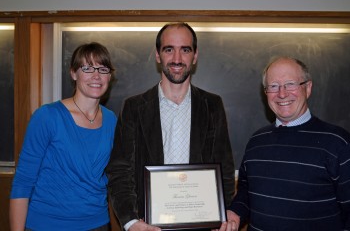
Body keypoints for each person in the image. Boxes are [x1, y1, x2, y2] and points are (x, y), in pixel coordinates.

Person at [106, 22, 237, 231]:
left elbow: (225, 169)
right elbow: (120, 171)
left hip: (201, 224)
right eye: (169, 49)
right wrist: (131, 223)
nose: (177, 59)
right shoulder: (134, 107)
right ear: (158, 55)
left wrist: (223, 213)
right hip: (148, 226)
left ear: (195, 56)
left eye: (185, 50)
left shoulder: (212, 105)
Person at [228, 56, 350, 230]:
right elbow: (246, 192)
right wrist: (235, 212)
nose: (282, 94)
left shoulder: (338, 143)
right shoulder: (256, 141)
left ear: (307, 88)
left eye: (290, 84)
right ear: (266, 93)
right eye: (273, 86)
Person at [9, 42, 117, 231]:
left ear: (110, 76)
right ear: (73, 73)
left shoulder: (111, 119)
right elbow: (23, 182)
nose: (96, 75)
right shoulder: (47, 116)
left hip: (98, 224)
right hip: (47, 225)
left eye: (103, 68)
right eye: (87, 68)